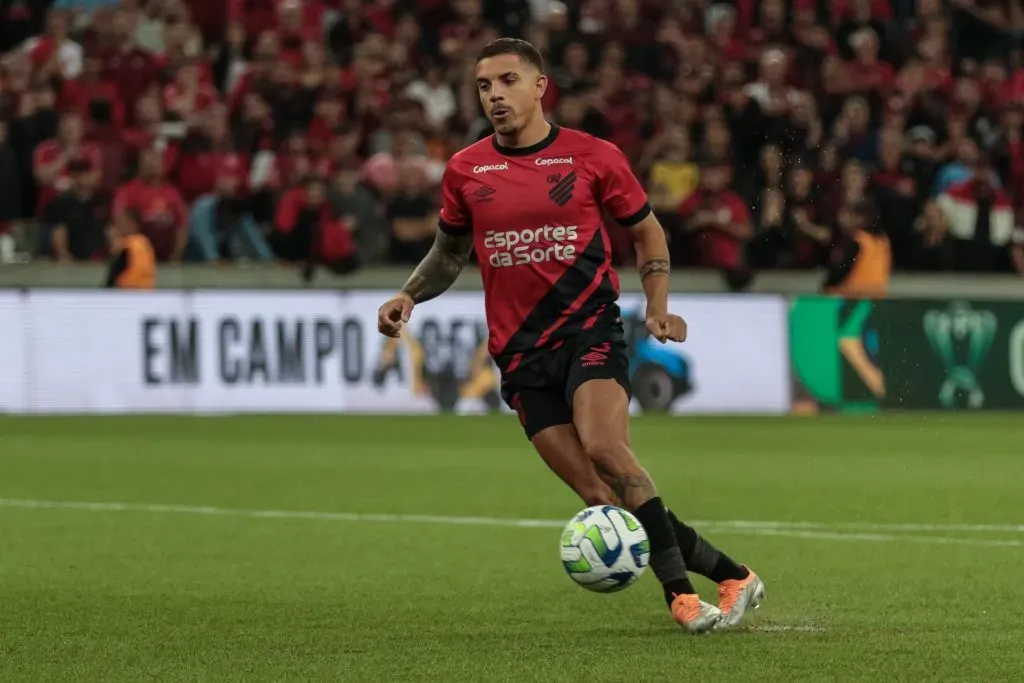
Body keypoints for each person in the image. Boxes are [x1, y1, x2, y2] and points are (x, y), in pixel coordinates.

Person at [376, 38, 765, 633]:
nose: (495, 95)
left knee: (608, 448)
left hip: (591, 331)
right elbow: (449, 254)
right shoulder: (465, 169)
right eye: (484, 86)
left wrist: (657, 306)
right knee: (598, 495)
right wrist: (409, 293)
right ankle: (735, 573)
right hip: (520, 354)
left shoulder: (593, 157)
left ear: (540, 86)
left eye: (507, 80)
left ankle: (681, 597)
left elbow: (648, 234)